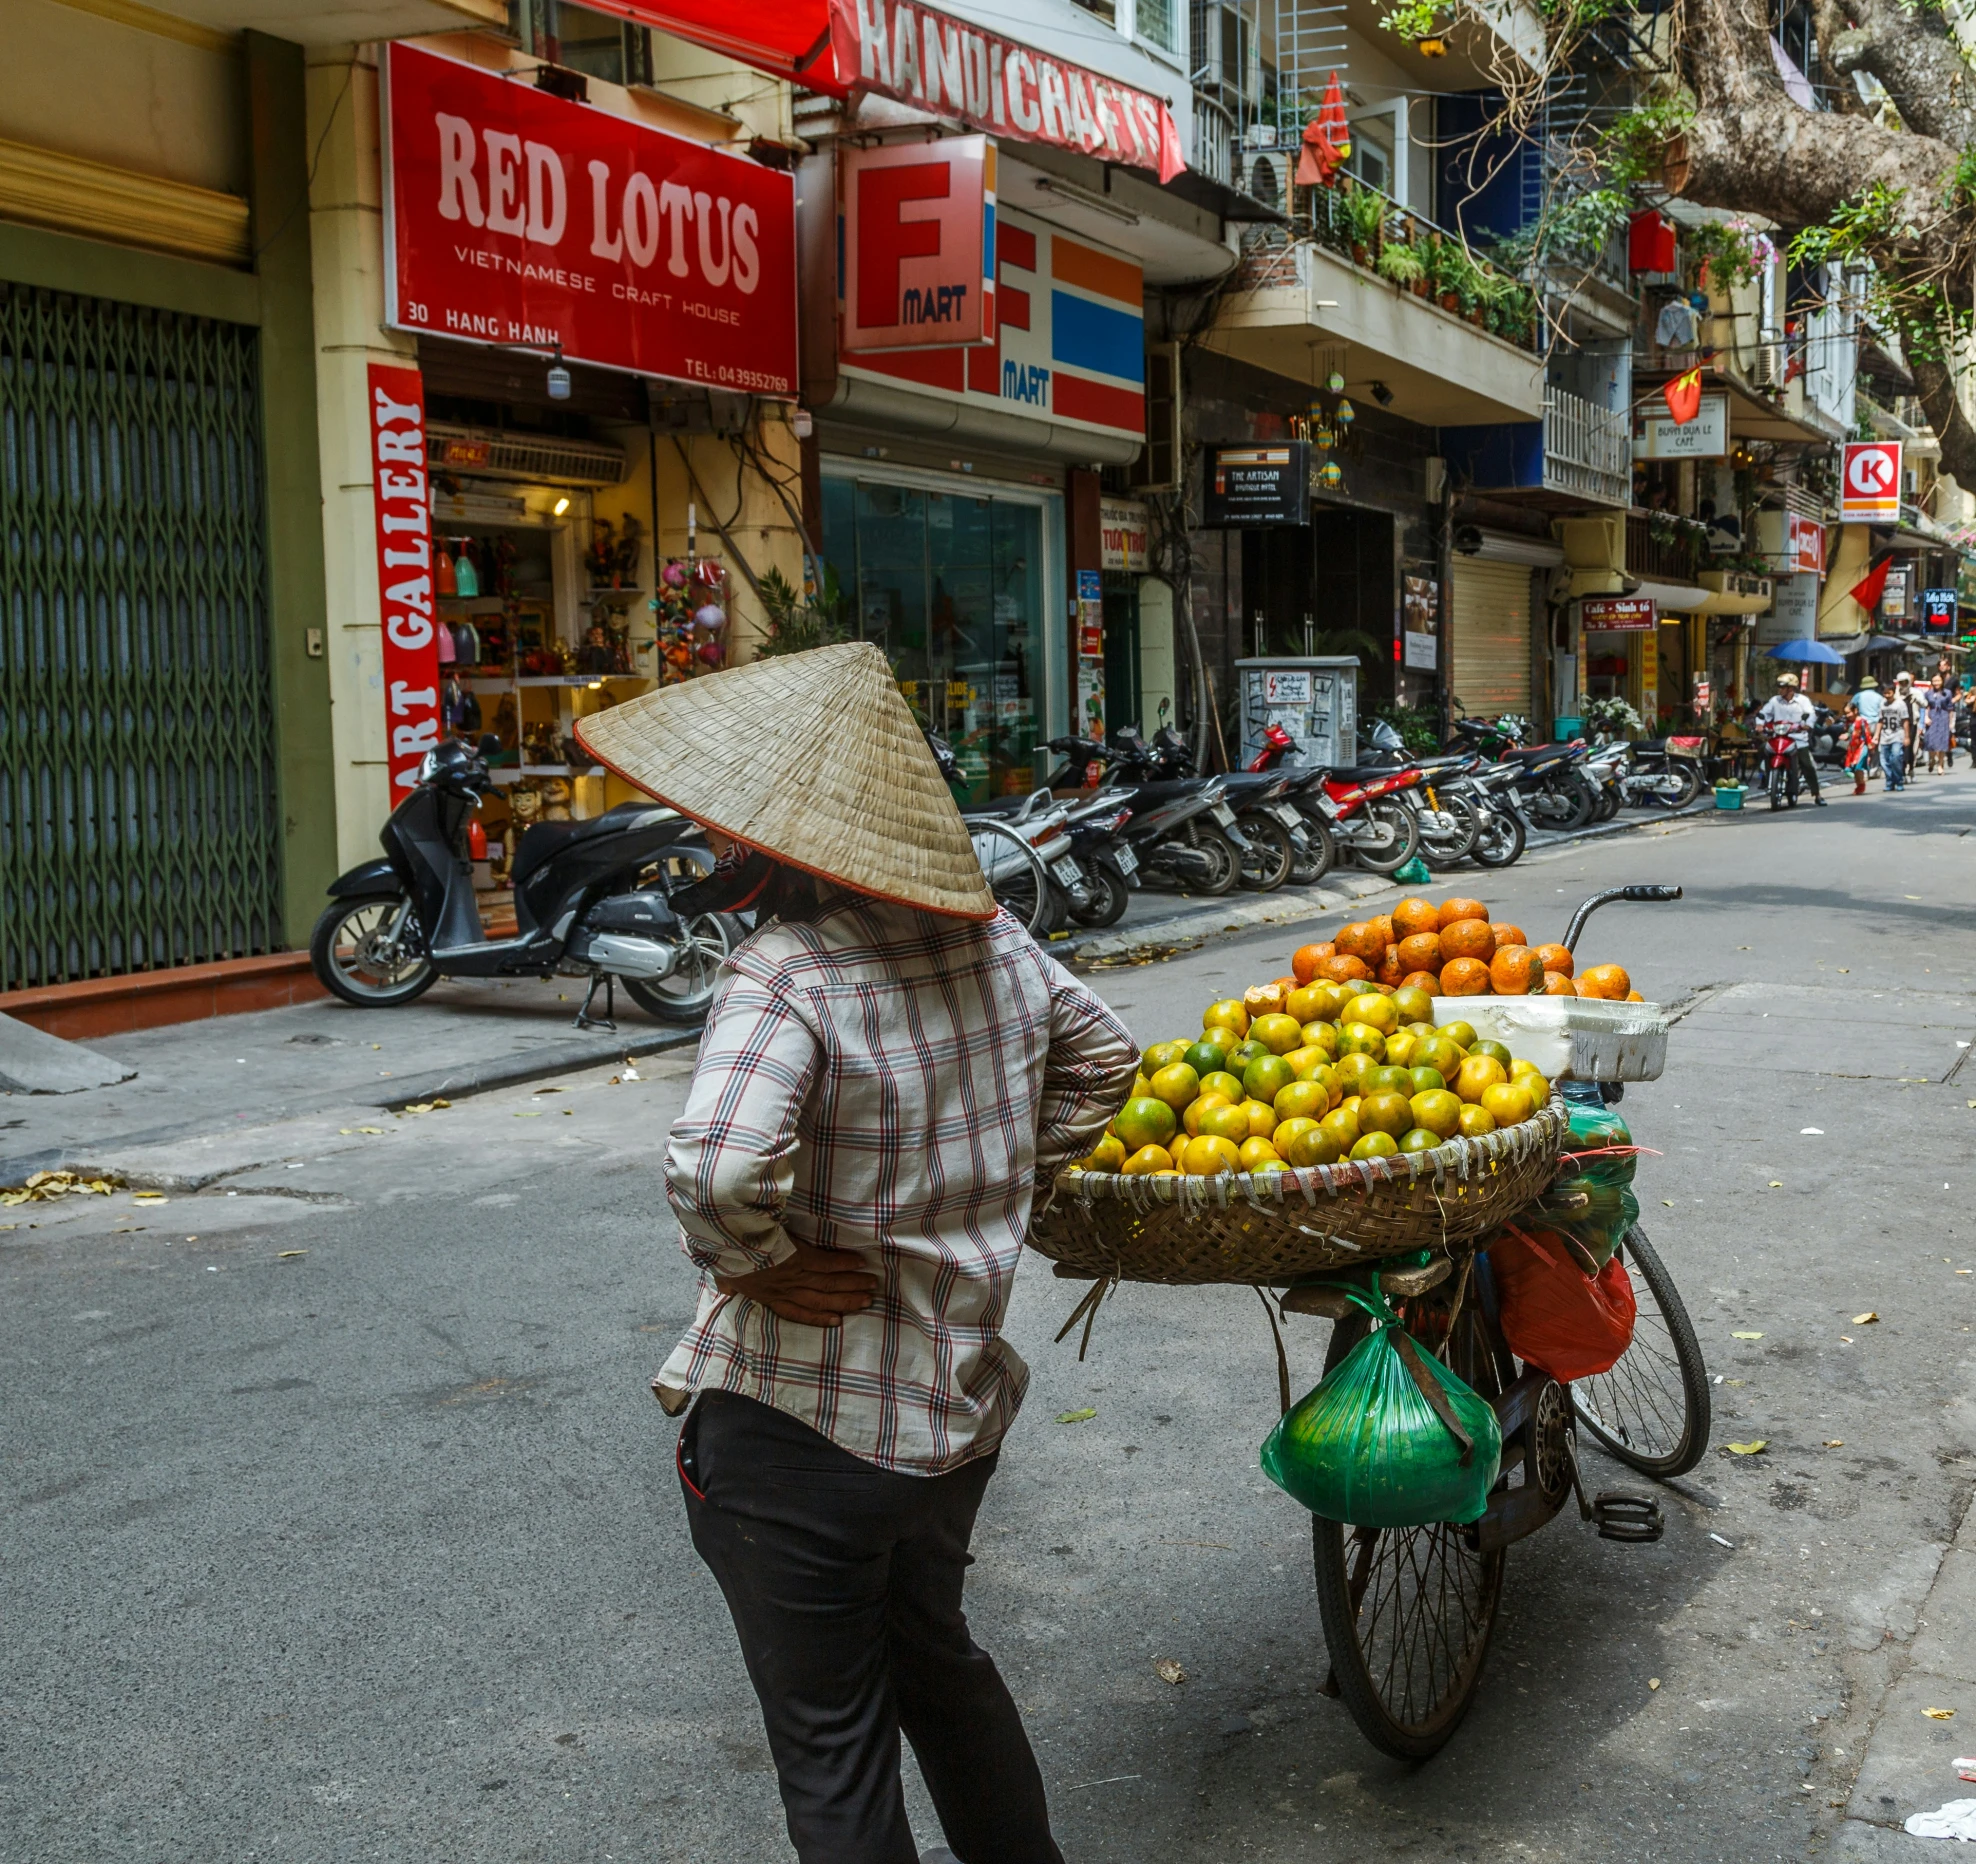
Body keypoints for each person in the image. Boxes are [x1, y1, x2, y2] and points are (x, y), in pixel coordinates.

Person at [576, 642, 1138, 1864]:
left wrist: (758, 1262)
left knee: (832, 1747)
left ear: (788, 842)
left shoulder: (786, 970)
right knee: (936, 1660)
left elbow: (717, 1168)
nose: (707, 838)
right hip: (948, 1412)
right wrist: (997, 1183)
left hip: (800, 1430)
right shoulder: (991, 940)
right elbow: (1106, 1057)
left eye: (729, 827)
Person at [1754, 670, 1826, 805]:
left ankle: (1817, 794)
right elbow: (1763, 714)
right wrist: (1760, 725)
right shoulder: (1774, 701)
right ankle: (1765, 777)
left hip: (1797, 738)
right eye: (1779, 687)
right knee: (1763, 749)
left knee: (1807, 764)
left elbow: (1811, 714)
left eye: (1783, 687)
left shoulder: (1802, 701)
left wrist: (1808, 725)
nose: (1780, 690)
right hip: (1778, 738)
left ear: (1791, 688)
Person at [1880, 672, 1917, 791]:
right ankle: (1889, 781)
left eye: (1889, 693)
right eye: (1884, 693)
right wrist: (1876, 736)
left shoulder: (1900, 704)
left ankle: (1899, 780)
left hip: (1897, 735)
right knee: (1884, 761)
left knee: (1896, 757)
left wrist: (1907, 736)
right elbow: (1880, 720)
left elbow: (1905, 720)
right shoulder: (1882, 703)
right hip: (1885, 736)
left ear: (1893, 691)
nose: (1887, 695)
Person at [1924, 673, 1955, 773]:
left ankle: (1940, 765)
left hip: (1943, 717)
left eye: (1938, 681)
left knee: (1942, 742)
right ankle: (1932, 759)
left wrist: (1950, 722)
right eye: (1934, 681)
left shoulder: (1947, 693)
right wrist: (1926, 717)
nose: (1936, 683)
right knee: (1931, 742)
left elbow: (1950, 708)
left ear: (1942, 682)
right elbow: (1926, 706)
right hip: (1932, 717)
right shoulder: (1928, 693)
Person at [1843, 699, 1875, 796]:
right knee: (1854, 768)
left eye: (1849, 713)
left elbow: (1867, 734)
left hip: (1861, 747)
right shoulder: (1848, 723)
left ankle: (1861, 785)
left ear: (1855, 711)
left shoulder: (1861, 721)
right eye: (1846, 713)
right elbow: (1849, 734)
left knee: (1858, 766)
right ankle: (1859, 785)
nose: (1848, 715)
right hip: (1852, 748)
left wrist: (1870, 746)